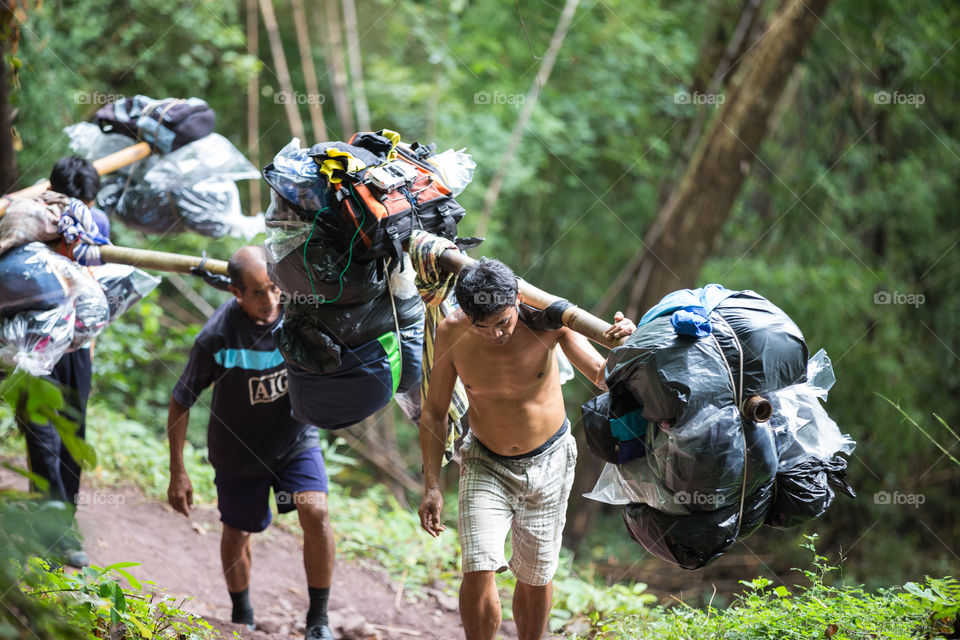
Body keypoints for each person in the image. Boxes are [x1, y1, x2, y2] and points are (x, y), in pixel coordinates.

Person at [417, 257, 635, 640]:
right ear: (466, 315)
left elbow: (602, 377)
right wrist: (431, 485)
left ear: (518, 299)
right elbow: (434, 412)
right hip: (486, 462)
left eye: (503, 322)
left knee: (535, 575)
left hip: (550, 461)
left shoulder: (551, 324)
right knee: (478, 564)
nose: (495, 334)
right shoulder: (453, 332)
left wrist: (624, 342)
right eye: (482, 327)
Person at [166, 246, 335, 640]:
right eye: (257, 292)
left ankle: (319, 620)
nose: (270, 301)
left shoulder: (295, 312)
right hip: (237, 450)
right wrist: (178, 471)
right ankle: (242, 613)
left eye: (275, 289)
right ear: (236, 293)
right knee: (238, 531)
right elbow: (180, 401)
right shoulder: (216, 337)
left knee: (316, 511)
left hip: (294, 438)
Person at [16, 156, 109, 568]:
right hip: (31, 347)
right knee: (40, 436)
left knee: (71, 433)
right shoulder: (26, 218)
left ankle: (64, 527)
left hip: (74, 349)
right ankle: (49, 527)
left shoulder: (95, 224)